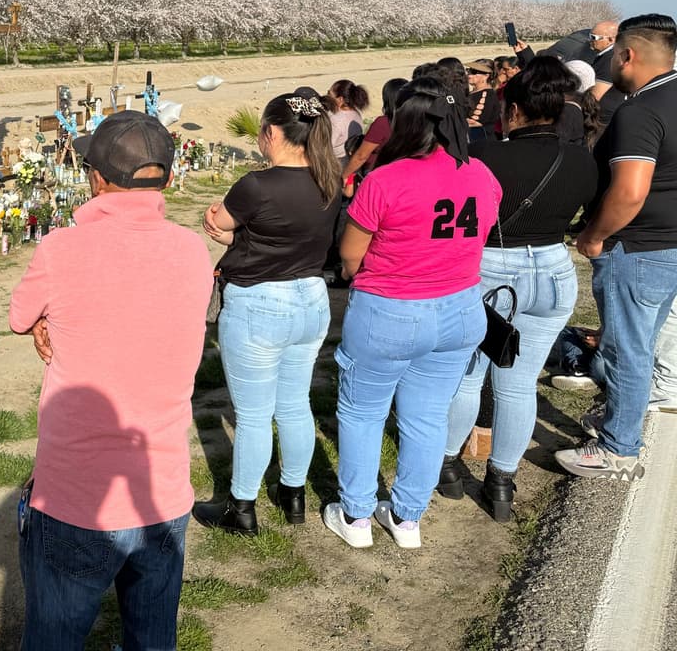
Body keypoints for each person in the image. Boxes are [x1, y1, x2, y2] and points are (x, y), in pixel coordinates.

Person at [9, 110, 210, 650]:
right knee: (152, 637)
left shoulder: (61, 249)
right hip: (160, 486)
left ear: (96, 178)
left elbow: (18, 315)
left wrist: (48, 322)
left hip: (77, 492)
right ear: (167, 176)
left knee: (55, 635)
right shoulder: (193, 251)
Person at [323, 78, 501, 550]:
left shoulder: (385, 179)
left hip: (390, 310)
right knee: (426, 417)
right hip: (460, 309)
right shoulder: (481, 174)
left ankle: (357, 516)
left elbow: (351, 256)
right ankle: (407, 518)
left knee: (362, 412)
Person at [440, 60, 598, 520]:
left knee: (468, 374)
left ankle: (447, 463)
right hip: (552, 269)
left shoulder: (485, 156)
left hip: (492, 268)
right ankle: (501, 482)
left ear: (511, 110)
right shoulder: (581, 160)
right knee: (517, 384)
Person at [194, 94, 341, 534]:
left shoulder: (255, 185)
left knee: (255, 414)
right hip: (311, 299)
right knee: (295, 403)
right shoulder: (329, 180)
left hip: (259, 303)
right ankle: (292, 494)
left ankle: (241, 507)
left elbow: (220, 220)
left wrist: (222, 230)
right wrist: (240, 243)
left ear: (273, 134)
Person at [558, 14, 677, 481]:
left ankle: (617, 449)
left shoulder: (641, 110)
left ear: (627, 55)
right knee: (640, 344)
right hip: (668, 243)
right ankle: (618, 420)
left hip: (639, 247)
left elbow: (629, 191)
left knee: (629, 348)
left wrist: (593, 235)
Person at [342, 78, 408, 188]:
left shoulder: (383, 123)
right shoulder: (417, 121)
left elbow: (361, 156)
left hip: (379, 174)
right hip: (405, 172)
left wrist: (345, 175)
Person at [586, 21, 623, 127]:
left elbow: (594, 96)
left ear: (610, 40)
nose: (590, 40)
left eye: (593, 38)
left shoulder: (610, 59)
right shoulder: (604, 56)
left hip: (603, 121)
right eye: (589, 36)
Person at [326, 80, 370, 160]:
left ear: (340, 99)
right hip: (350, 158)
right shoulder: (356, 113)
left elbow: (327, 148)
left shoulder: (336, 120)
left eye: (329, 94)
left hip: (337, 162)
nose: (327, 97)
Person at [466, 60, 500, 141]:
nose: (469, 74)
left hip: (480, 143)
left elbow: (475, 123)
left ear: (486, 75)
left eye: (473, 71)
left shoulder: (486, 96)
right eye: (468, 70)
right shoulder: (474, 93)